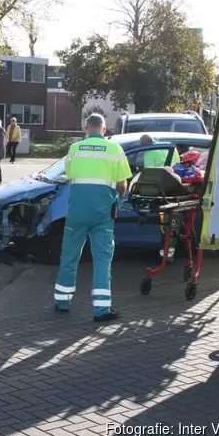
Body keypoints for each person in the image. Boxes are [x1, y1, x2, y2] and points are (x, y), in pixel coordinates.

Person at [53, 113, 132, 322]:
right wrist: (118, 199)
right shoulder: (115, 149)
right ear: (104, 130)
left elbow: (71, 179)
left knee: (69, 256)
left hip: (76, 213)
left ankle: (62, 301)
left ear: (85, 129)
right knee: (102, 260)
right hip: (102, 214)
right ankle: (101, 310)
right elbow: (123, 185)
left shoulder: (74, 149)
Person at [138, 134, 182, 262]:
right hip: (175, 188)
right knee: (173, 219)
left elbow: (149, 173)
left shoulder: (149, 153)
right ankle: (170, 249)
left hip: (160, 191)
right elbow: (177, 166)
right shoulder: (170, 146)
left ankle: (167, 252)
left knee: (165, 220)